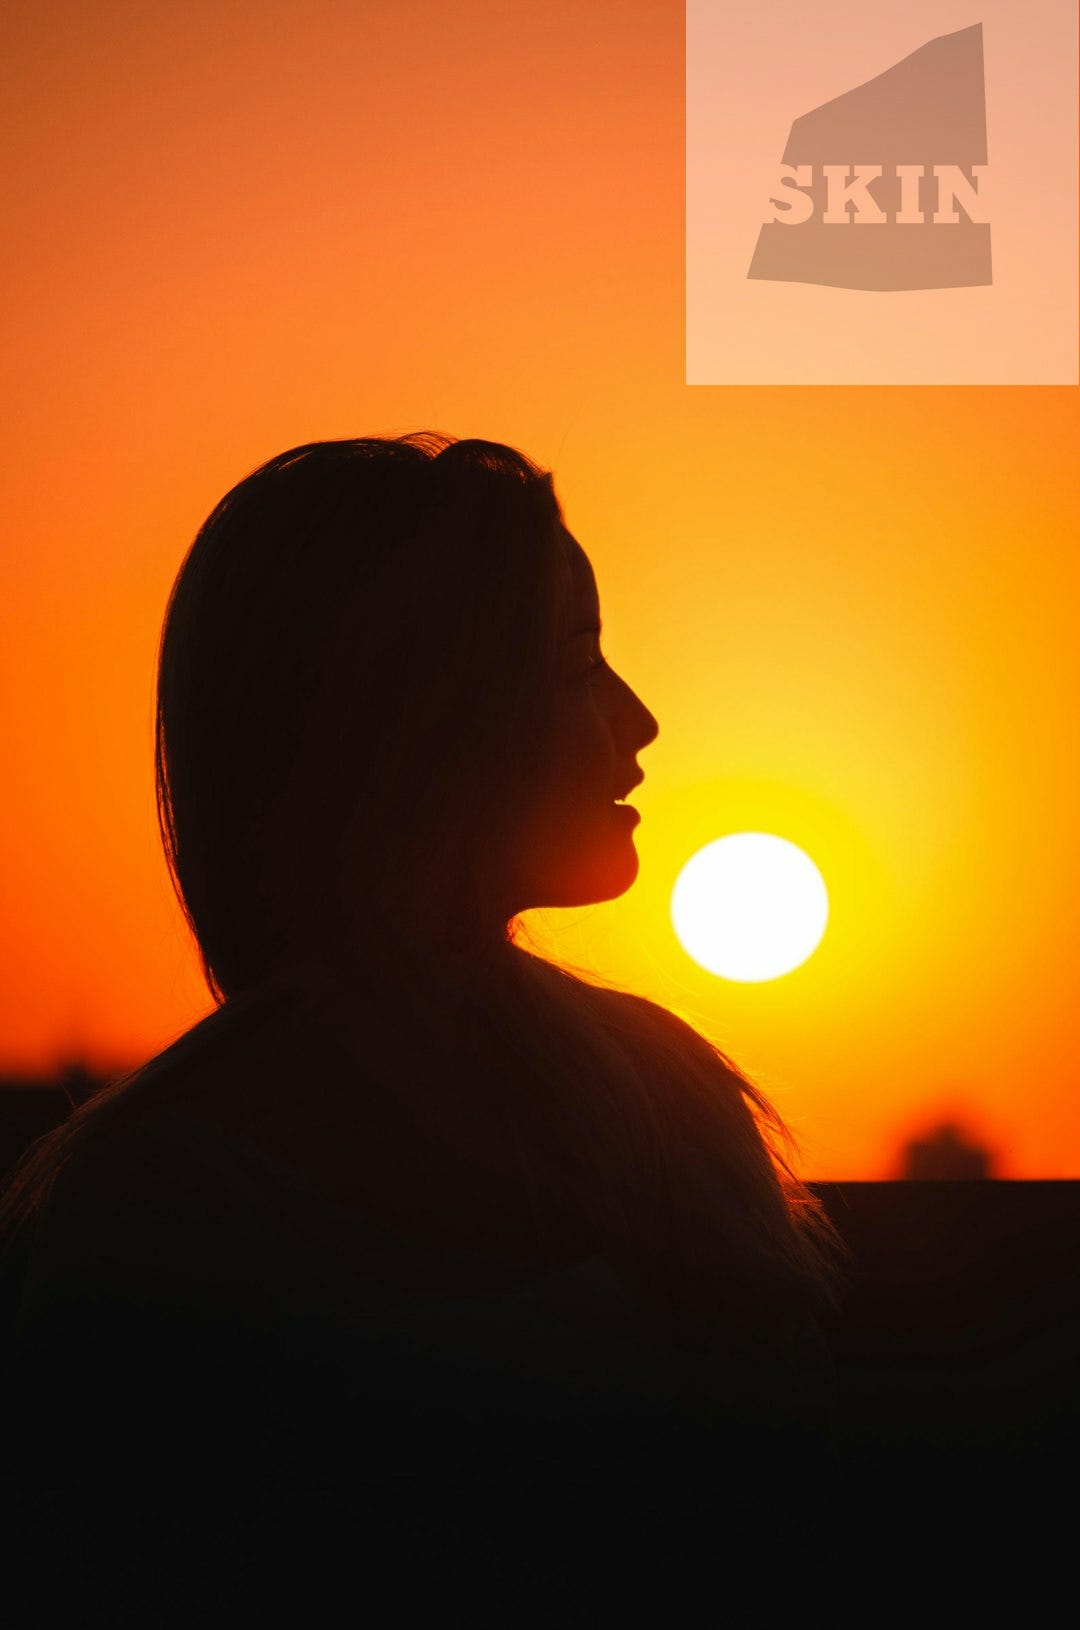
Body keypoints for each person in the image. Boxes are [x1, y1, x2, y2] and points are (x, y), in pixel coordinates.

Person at [0, 433, 843, 1626]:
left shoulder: (662, 1096)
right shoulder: (166, 1193)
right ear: (423, 713)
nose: (641, 719)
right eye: (574, 664)